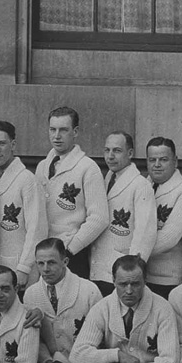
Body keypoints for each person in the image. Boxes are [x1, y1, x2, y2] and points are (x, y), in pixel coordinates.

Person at [24, 237, 102, 363]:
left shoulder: (88, 290)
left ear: (65, 262)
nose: (45, 269)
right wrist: (47, 361)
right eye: (40, 263)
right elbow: (33, 337)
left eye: (51, 262)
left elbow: (102, 333)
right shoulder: (31, 294)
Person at [35, 107, 109, 280]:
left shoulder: (87, 167)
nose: (57, 136)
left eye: (63, 130)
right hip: (44, 255)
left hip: (71, 255)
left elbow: (99, 217)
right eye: (52, 130)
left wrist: (70, 249)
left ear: (75, 132)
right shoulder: (41, 167)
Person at [91, 131, 156, 297]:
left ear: (130, 153)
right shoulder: (106, 179)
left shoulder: (140, 185)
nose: (110, 156)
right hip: (97, 267)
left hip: (120, 271)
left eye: (117, 151)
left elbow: (145, 233)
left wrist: (131, 274)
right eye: (107, 150)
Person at [0, 120, 47, 291]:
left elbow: (37, 229)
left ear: (12, 145)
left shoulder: (27, 180)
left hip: (19, 268)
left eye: (2, 143)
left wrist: (24, 268)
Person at [145, 137, 182, 299]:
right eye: (152, 160)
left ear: (175, 161)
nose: (157, 164)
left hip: (166, 279)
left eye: (163, 160)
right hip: (140, 275)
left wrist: (135, 252)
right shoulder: (143, 186)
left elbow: (170, 238)